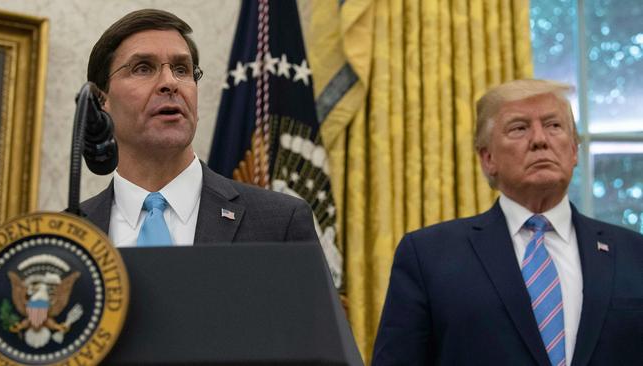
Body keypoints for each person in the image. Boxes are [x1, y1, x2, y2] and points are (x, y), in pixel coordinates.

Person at [372, 79, 643, 365]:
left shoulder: (635, 254)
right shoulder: (428, 256)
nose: (540, 139)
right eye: (519, 128)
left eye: (554, 126)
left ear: (574, 150)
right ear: (488, 158)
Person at [80, 9, 318, 246]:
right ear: (101, 101)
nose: (170, 83)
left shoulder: (280, 223)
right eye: (143, 68)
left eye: (181, 69)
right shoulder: (67, 233)